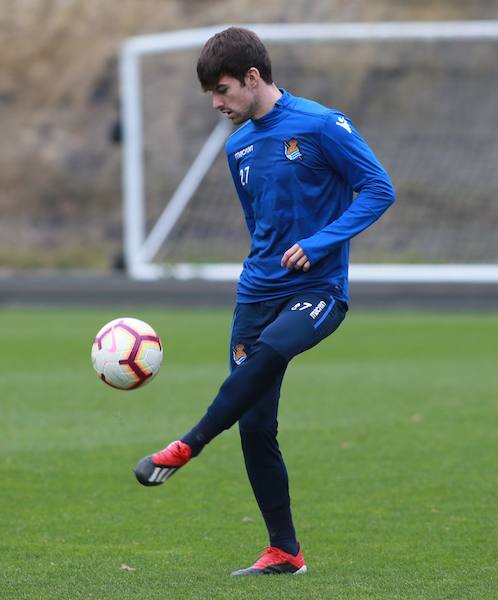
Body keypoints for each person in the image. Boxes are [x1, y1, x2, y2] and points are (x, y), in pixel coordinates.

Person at [134, 26, 396, 576]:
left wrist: (321, 242)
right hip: (257, 292)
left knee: (271, 352)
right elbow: (260, 226)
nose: (217, 103)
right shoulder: (238, 147)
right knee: (256, 426)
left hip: (318, 290)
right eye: (211, 94)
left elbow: (378, 188)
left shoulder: (323, 125)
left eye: (224, 90)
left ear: (254, 78)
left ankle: (188, 443)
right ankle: (284, 551)